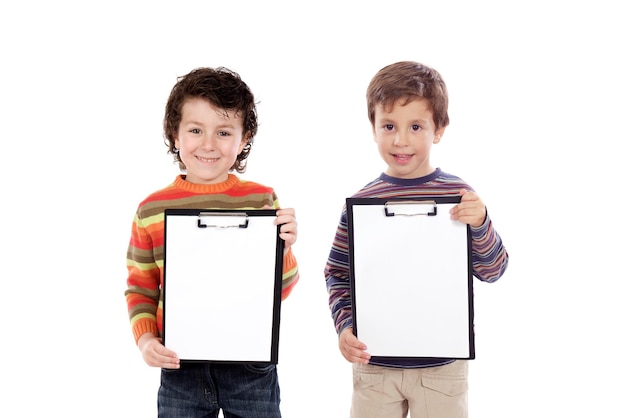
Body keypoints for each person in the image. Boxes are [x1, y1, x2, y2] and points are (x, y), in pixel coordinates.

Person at [324, 61, 509, 418]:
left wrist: (481, 223)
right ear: (373, 128)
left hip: (442, 366)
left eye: (416, 126)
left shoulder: (460, 195)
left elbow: (493, 269)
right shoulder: (362, 202)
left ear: (438, 129)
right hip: (375, 362)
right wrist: (345, 325)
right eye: (389, 126)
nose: (400, 140)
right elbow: (337, 272)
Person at [124, 66, 299, 417]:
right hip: (179, 364)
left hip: (249, 363)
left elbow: (280, 290)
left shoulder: (262, 199)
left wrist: (286, 248)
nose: (208, 144)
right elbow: (141, 287)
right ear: (175, 135)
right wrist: (145, 340)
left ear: (244, 137)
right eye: (195, 130)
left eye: (223, 131)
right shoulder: (151, 208)